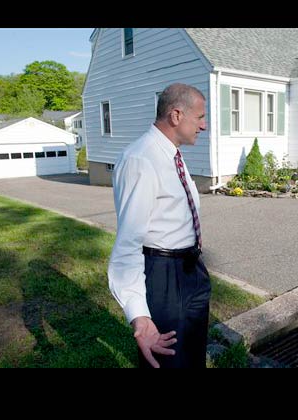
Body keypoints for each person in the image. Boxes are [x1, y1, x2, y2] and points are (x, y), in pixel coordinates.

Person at [108, 83, 210, 368]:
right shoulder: (141, 159)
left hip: (192, 269)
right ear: (176, 115)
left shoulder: (172, 155)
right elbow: (128, 241)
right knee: (168, 361)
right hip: (163, 275)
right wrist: (139, 314)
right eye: (200, 117)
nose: (203, 126)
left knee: (192, 355)